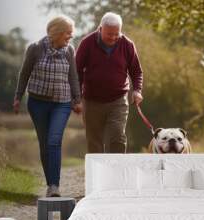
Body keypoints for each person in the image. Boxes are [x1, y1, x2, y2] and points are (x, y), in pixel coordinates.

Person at [13, 15, 82, 197]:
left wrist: (77, 100)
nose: (71, 36)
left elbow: (73, 77)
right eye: (68, 32)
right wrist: (18, 97)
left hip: (62, 103)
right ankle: (50, 182)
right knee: (45, 144)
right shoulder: (35, 49)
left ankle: (54, 186)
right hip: (38, 103)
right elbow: (24, 73)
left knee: (54, 140)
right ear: (57, 32)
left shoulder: (69, 51)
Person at [76, 12, 143, 153]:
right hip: (91, 101)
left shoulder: (127, 45)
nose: (113, 37)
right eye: (109, 34)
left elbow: (136, 71)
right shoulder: (87, 43)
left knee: (117, 137)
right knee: (94, 141)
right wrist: (77, 98)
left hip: (118, 101)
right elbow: (76, 71)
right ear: (100, 29)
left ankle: (117, 173)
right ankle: (98, 174)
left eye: (116, 34)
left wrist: (137, 90)